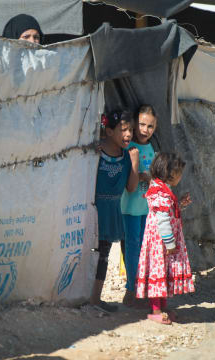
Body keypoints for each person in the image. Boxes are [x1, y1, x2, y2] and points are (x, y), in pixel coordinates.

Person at [136, 152, 194, 324]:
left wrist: (180, 204)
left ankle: (162, 306)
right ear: (170, 174)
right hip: (159, 244)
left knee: (162, 272)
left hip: (161, 243)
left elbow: (167, 213)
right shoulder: (160, 193)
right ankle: (155, 310)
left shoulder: (162, 190)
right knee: (158, 272)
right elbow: (162, 221)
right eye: (179, 174)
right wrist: (169, 242)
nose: (180, 177)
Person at [91, 110, 139, 313]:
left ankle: (95, 298)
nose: (128, 134)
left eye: (131, 130)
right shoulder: (96, 152)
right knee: (91, 253)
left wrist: (135, 162)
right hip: (94, 209)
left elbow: (131, 187)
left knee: (104, 253)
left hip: (112, 211)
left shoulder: (126, 156)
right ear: (109, 131)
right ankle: (89, 297)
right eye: (124, 130)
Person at [120, 105, 158, 308]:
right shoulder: (129, 146)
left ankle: (141, 288)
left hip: (145, 207)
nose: (145, 129)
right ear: (135, 124)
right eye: (142, 124)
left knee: (143, 248)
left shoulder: (151, 148)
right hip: (129, 207)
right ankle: (131, 290)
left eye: (150, 126)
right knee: (133, 247)